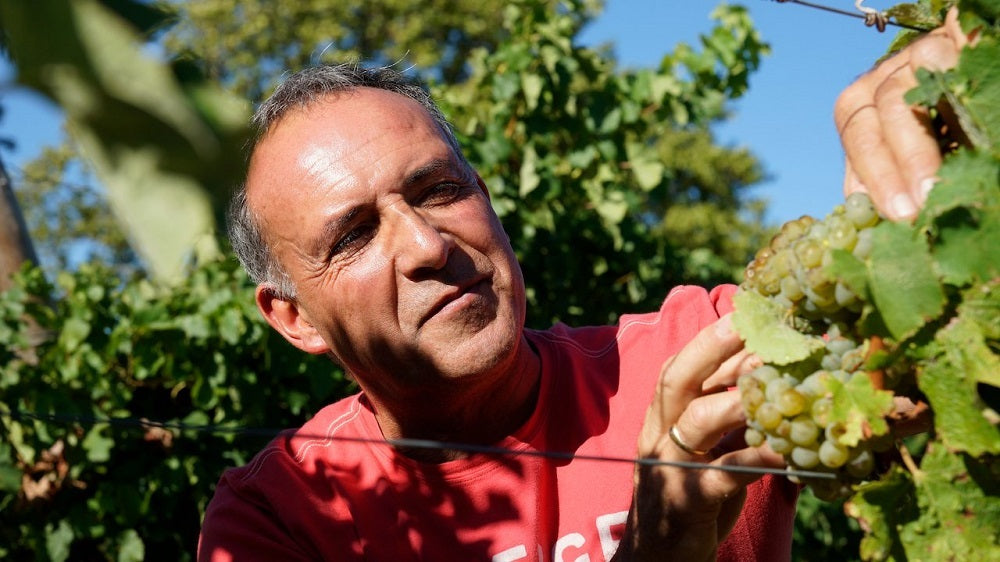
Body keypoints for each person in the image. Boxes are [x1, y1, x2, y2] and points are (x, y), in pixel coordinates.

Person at [198, 12, 968, 561]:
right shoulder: (280, 517)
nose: (428, 244)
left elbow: (899, 313)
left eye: (438, 189)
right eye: (355, 236)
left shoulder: (694, 353)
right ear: (293, 317)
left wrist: (953, 118)